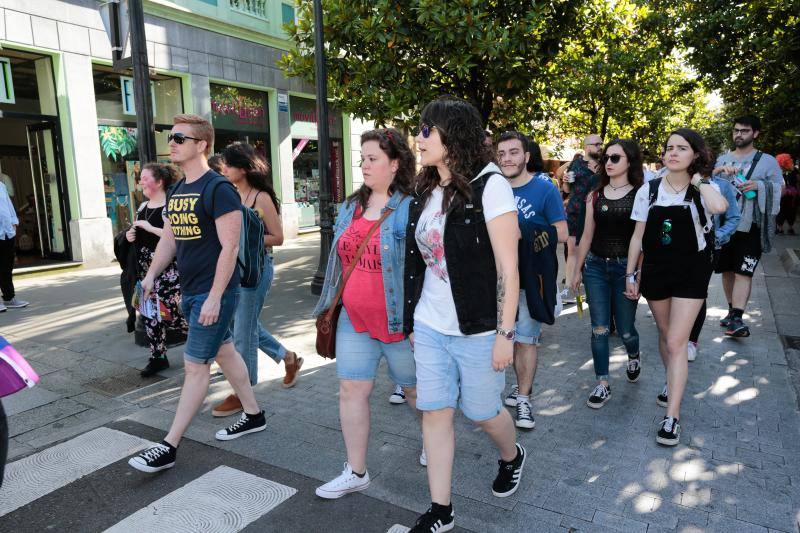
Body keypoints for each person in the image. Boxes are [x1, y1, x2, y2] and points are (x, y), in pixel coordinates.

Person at [405, 98, 525, 532]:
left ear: (451, 134)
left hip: (478, 327)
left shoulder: (490, 186)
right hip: (431, 324)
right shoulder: (426, 188)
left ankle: (511, 455)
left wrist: (505, 335)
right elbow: (419, 262)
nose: (418, 139)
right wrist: (412, 321)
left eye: (425, 130)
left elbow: (510, 272)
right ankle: (441, 509)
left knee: (480, 411)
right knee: (435, 412)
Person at [128, 114, 266, 473]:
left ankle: (169, 445)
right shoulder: (177, 190)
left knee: (194, 366)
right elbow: (171, 238)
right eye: (170, 137)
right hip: (190, 291)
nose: (171, 143)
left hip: (212, 292)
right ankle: (254, 415)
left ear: (202, 144)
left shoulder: (218, 188)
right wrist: (150, 276)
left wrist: (216, 297)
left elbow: (230, 247)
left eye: (180, 138)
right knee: (225, 350)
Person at [312, 128, 419, 499]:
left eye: (373, 158)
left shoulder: (411, 208)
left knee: (416, 395)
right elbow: (339, 264)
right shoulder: (349, 207)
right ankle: (356, 471)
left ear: (395, 163)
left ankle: (433, 440)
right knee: (351, 391)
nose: (365, 165)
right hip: (353, 319)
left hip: (399, 324)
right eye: (363, 159)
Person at [626, 128, 727, 446]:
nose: (673, 153)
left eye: (682, 148)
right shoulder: (650, 189)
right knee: (666, 336)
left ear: (695, 154)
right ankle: (673, 379)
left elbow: (720, 207)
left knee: (677, 341)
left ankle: (672, 416)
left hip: (692, 271)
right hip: (656, 269)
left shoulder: (703, 188)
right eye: (669, 147)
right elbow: (638, 237)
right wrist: (631, 274)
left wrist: (698, 180)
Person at [211, 142, 304, 418]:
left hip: (258, 269)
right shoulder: (231, 194)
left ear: (243, 168)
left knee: (243, 330)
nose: (223, 169)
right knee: (243, 323)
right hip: (234, 269)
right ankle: (288, 357)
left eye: (228, 165)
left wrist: (244, 240)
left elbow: (278, 237)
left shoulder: (260, 197)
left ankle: (243, 393)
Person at [496, 131, 567, 428]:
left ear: (526, 156)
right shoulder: (490, 188)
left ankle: (523, 398)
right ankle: (506, 392)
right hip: (493, 281)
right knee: (499, 341)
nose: (507, 159)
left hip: (529, 280)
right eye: (501, 154)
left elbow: (562, 232)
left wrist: (526, 231)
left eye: (513, 152)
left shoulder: (544, 189)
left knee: (525, 341)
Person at [570, 139, 644, 409]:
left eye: (616, 158)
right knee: (599, 329)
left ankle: (634, 354)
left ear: (629, 161)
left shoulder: (640, 194)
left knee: (625, 331)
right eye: (607, 158)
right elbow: (586, 235)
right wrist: (576, 271)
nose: (609, 163)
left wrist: (633, 274)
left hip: (625, 268)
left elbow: (640, 238)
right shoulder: (595, 194)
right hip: (596, 268)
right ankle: (602, 383)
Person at [713, 115, 783, 337]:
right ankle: (732, 310)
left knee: (744, 271)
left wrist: (760, 185)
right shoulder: (722, 159)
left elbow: (779, 188)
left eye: (744, 131)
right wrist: (718, 172)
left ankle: (737, 317)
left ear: (755, 133)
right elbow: (709, 185)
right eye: (736, 130)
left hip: (750, 225)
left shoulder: (767, 161)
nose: (738, 134)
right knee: (726, 270)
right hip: (725, 225)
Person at [125, 163, 188, 377]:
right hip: (146, 272)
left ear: (159, 182)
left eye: (145, 178)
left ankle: (214, 346)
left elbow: (176, 238)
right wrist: (129, 235)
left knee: (174, 314)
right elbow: (135, 233)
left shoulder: (170, 207)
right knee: (150, 316)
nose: (140, 181)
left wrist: (151, 229)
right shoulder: (143, 208)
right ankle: (158, 356)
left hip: (169, 271)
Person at [687, 168, 741, 361]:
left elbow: (734, 217)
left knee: (697, 292)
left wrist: (715, 237)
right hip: (680, 249)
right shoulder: (679, 181)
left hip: (710, 250)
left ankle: (691, 341)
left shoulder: (722, 186)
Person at [563, 135, 602, 302]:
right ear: (586, 147)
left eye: (601, 143)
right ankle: (568, 288)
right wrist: (564, 181)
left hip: (596, 212)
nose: (600, 147)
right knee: (572, 250)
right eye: (596, 144)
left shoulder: (606, 164)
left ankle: (591, 287)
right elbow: (566, 188)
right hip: (575, 211)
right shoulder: (576, 163)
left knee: (592, 250)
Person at [0, 181, 27, 312]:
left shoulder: (1, 186)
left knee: (7, 267)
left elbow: (9, 206)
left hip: (7, 232)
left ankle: (9, 298)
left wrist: (14, 222)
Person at [775, 154, 798, 235]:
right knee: (786, 210)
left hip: (788, 194)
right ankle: (785, 228)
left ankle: (783, 228)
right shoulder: (792, 170)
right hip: (787, 194)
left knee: (787, 210)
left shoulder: (793, 170)